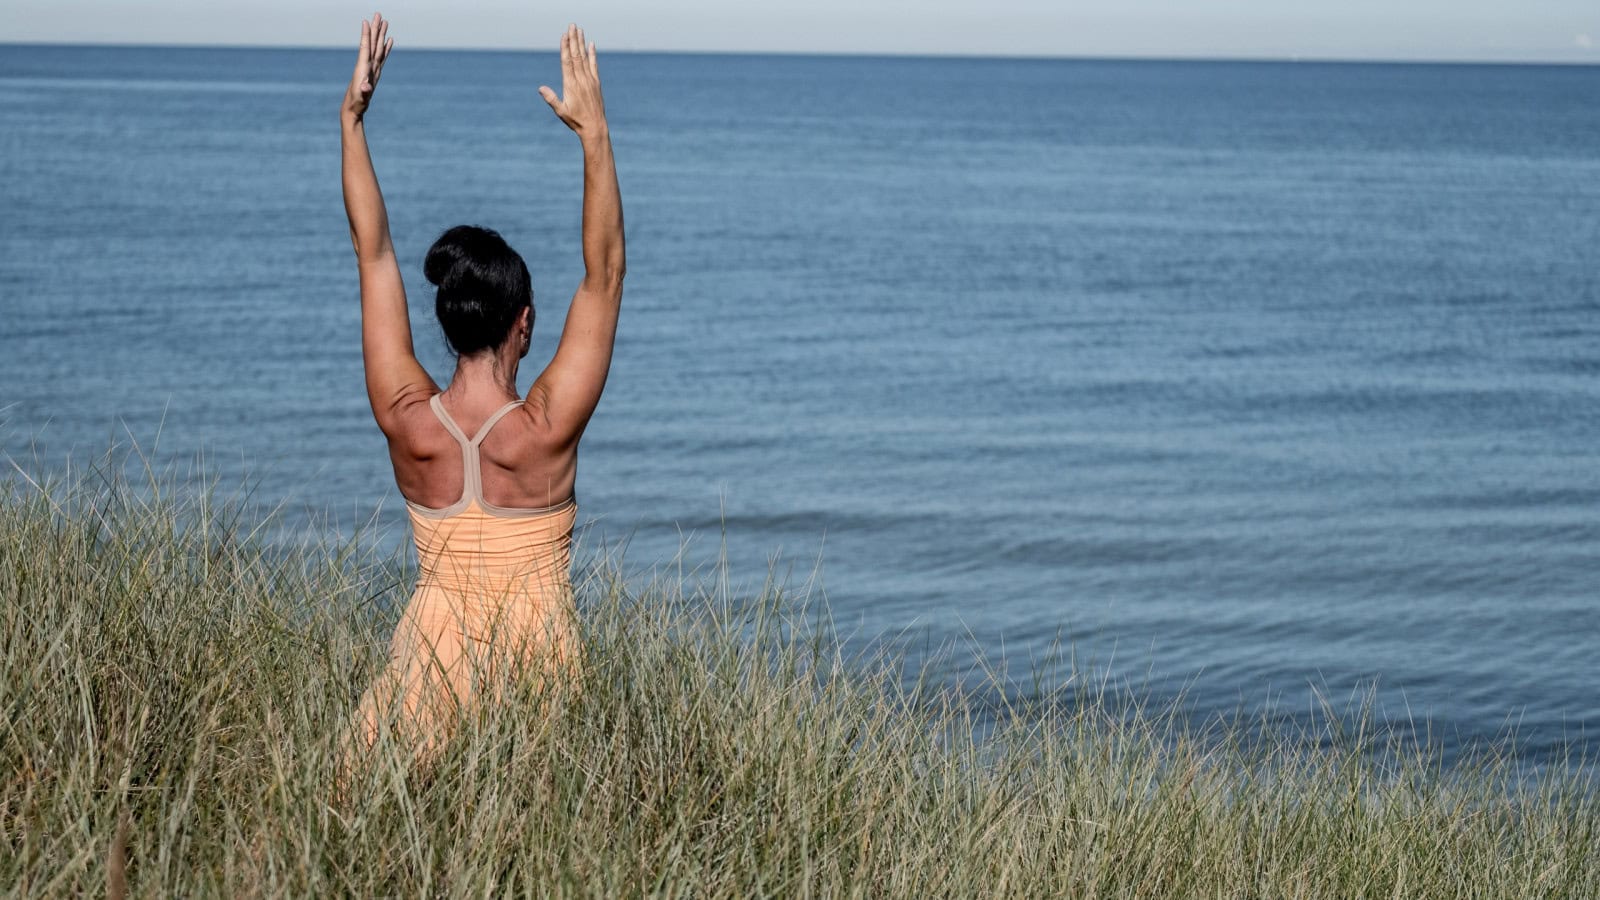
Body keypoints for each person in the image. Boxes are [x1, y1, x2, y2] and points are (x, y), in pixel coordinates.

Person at [340, 14, 625, 748]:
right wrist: (593, 136)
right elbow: (605, 276)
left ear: (446, 321)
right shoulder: (543, 432)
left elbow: (373, 257)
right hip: (536, 694)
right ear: (523, 324)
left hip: (422, 684)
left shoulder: (407, 419)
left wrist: (352, 123)